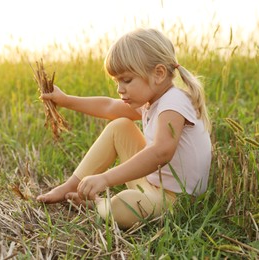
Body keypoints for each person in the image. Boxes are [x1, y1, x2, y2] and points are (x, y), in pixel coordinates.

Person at [36, 28, 212, 230]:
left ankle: (98, 204)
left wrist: (106, 179)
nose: (120, 89)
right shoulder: (152, 101)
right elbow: (108, 107)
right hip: (153, 185)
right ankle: (71, 185)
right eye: (117, 81)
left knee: (123, 205)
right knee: (119, 126)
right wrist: (65, 100)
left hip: (175, 202)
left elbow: (161, 152)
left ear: (159, 73)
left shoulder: (174, 102)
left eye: (127, 80)